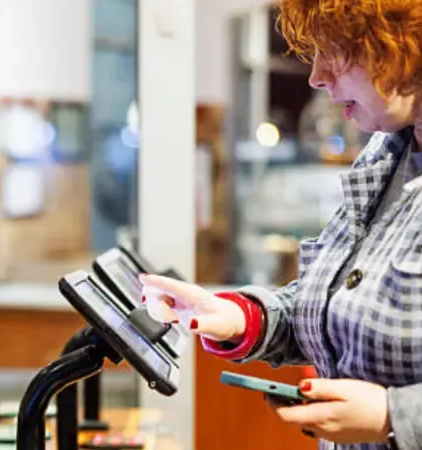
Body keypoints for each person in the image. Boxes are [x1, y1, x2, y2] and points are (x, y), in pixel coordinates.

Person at [141, 1, 422, 450]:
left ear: (405, 44)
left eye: (338, 51)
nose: (317, 76)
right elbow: (341, 305)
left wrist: (395, 416)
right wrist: (239, 318)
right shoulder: (388, 154)